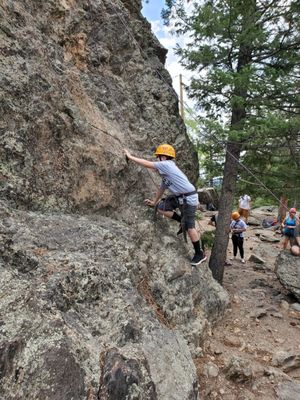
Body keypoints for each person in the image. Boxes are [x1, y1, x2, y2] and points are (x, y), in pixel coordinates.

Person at [124, 144, 207, 266]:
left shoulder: (167, 165)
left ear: (163, 157)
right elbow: (161, 189)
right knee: (161, 207)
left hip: (188, 198)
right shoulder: (165, 173)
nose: (157, 160)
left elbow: (147, 164)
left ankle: (199, 254)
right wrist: (154, 202)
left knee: (190, 227)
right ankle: (181, 221)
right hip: (180, 197)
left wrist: (130, 157)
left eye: (158, 157)